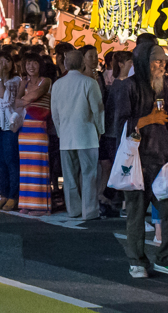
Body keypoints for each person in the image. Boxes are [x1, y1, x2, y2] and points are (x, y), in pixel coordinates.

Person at [117, 43, 168, 278]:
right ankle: (136, 261)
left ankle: (166, 258)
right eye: (157, 61)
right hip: (136, 161)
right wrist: (148, 119)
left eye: (164, 62)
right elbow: (118, 125)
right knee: (136, 214)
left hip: (161, 159)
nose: (162, 66)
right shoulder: (128, 87)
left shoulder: (163, 87)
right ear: (143, 63)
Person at [50, 49, 104, 220]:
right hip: (87, 135)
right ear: (82, 63)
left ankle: (73, 209)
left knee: (69, 176)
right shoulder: (89, 83)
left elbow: (55, 113)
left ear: (65, 64)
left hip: (66, 136)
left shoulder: (58, 84)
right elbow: (98, 110)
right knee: (89, 175)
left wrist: (60, 131)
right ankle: (89, 211)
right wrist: (100, 130)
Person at [0, 53, 23, 211]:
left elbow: (4, 96)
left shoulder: (16, 81)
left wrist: (0, 78)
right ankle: (4, 194)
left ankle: (14, 196)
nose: (2, 64)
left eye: (6, 61)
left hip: (10, 125)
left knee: (11, 161)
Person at [15, 53, 53, 215]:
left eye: (34, 63)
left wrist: (23, 100)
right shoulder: (23, 84)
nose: (31, 66)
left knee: (39, 166)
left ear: (40, 65)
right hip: (24, 129)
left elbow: (34, 95)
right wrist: (22, 98)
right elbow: (15, 102)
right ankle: (26, 203)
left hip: (39, 128)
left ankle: (41, 206)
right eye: (28, 63)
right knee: (25, 168)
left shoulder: (46, 81)